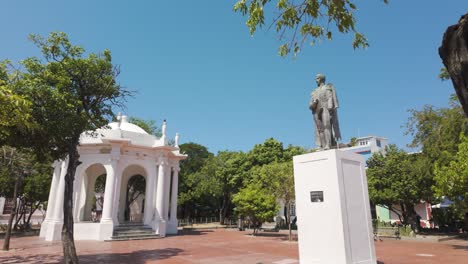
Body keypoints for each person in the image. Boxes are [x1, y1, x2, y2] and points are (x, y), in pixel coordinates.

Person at [309, 74, 341, 149]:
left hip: (325, 108)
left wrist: (330, 108)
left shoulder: (327, 88)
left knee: (327, 126)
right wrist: (314, 103)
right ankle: (322, 145)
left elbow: (330, 97)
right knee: (319, 129)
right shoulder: (314, 91)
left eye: (317, 78)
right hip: (316, 111)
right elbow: (310, 106)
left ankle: (328, 144)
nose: (316, 80)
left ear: (321, 79)